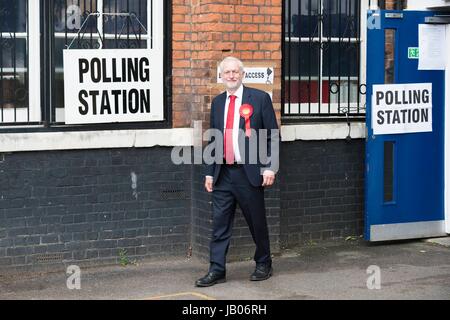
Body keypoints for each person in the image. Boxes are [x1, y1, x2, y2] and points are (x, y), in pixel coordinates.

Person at [195, 57, 279, 287]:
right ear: (221, 76)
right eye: (227, 72)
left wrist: (270, 167)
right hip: (223, 174)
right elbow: (214, 138)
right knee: (219, 224)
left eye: (235, 72)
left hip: (249, 173)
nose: (231, 76)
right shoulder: (218, 102)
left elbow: (272, 135)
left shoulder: (259, 99)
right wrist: (210, 173)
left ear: (242, 75)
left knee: (256, 221)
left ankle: (264, 262)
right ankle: (217, 269)